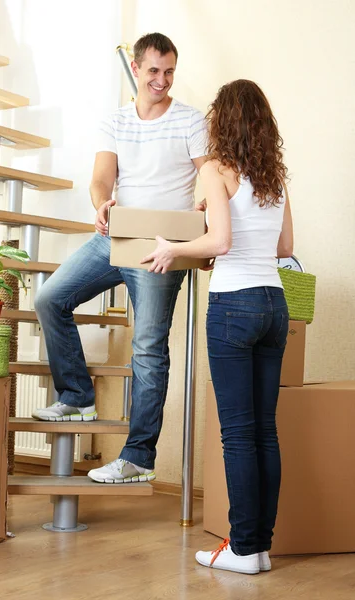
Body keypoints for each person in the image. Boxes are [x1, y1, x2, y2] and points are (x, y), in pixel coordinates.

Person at [32, 32, 208, 484]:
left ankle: (138, 458)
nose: (162, 80)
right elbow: (100, 179)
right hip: (118, 235)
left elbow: (211, 178)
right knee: (50, 298)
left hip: (162, 247)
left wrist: (205, 214)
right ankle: (77, 396)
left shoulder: (191, 120)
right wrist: (102, 204)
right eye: (153, 71)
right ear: (135, 68)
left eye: (169, 72)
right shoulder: (116, 121)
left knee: (148, 350)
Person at [143, 79, 294, 574]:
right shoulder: (272, 177)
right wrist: (216, 230)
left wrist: (175, 249)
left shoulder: (216, 168)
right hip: (274, 303)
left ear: (221, 122)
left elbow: (222, 243)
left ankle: (244, 550)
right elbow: (282, 244)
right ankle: (259, 546)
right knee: (264, 433)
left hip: (233, 306)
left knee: (237, 435)